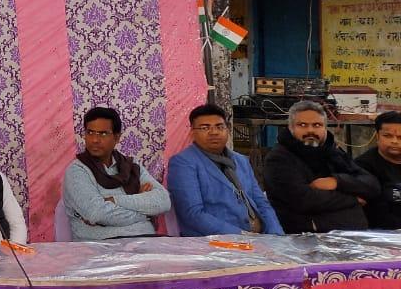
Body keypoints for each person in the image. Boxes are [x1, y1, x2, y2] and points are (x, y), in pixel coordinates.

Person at [262, 101, 379, 233]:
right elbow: (303, 199)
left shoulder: (331, 152)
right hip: (304, 236)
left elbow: (371, 185)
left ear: (325, 128)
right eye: (302, 125)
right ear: (291, 128)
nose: (310, 130)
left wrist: (336, 182)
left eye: (317, 125)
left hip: (352, 235)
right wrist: (353, 199)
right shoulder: (279, 158)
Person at [167, 104, 283, 236]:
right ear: (192, 133)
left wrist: (276, 236)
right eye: (205, 128)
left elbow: (261, 202)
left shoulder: (241, 161)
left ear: (227, 129)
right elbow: (192, 214)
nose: (214, 132)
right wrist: (240, 236)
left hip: (259, 238)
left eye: (219, 126)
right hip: (214, 242)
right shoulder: (183, 163)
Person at [62, 107, 170, 240]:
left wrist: (115, 200)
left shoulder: (131, 166)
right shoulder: (77, 170)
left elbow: (163, 201)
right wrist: (145, 212)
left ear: (117, 137)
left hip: (145, 241)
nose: (94, 140)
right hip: (100, 246)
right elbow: (97, 213)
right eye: (90, 132)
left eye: (103, 134)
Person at [355, 111, 401, 229]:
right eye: (388, 136)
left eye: (400, 137)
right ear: (377, 136)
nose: (394, 141)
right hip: (382, 232)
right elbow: (376, 212)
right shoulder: (363, 166)